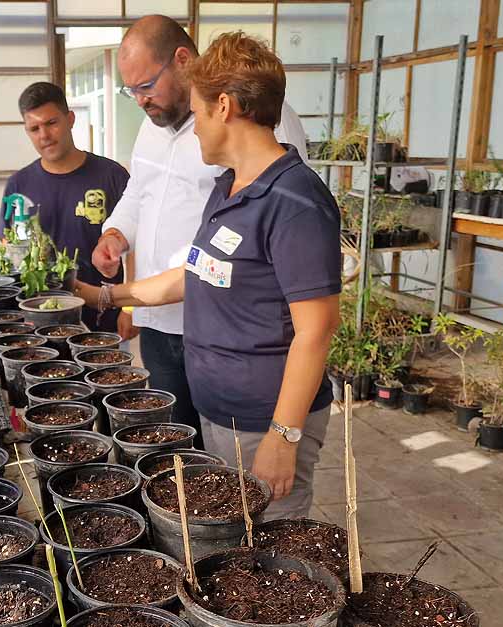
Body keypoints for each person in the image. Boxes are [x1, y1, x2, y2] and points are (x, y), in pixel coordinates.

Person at [76, 30, 341, 520]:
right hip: (219, 407)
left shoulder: (295, 202)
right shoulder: (228, 188)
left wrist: (283, 435)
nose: (193, 128)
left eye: (197, 113)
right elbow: (195, 273)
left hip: (264, 416)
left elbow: (316, 329)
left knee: (270, 542)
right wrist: (102, 295)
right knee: (231, 535)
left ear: (224, 107)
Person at [90, 15, 308, 446]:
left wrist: (284, 434)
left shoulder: (256, 121)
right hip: (159, 323)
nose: (140, 100)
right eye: (130, 90)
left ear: (182, 60)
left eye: (146, 85)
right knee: (174, 448)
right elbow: (139, 192)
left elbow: (282, 212)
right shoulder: (152, 127)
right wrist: (115, 234)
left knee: (234, 456)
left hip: (222, 327)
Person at [0, 81, 134, 336]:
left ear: (70, 119)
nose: (44, 135)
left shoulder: (112, 176)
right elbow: (7, 246)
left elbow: (137, 247)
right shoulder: (19, 185)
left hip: (103, 317)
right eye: (34, 128)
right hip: (38, 320)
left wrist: (130, 308)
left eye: (51, 123)